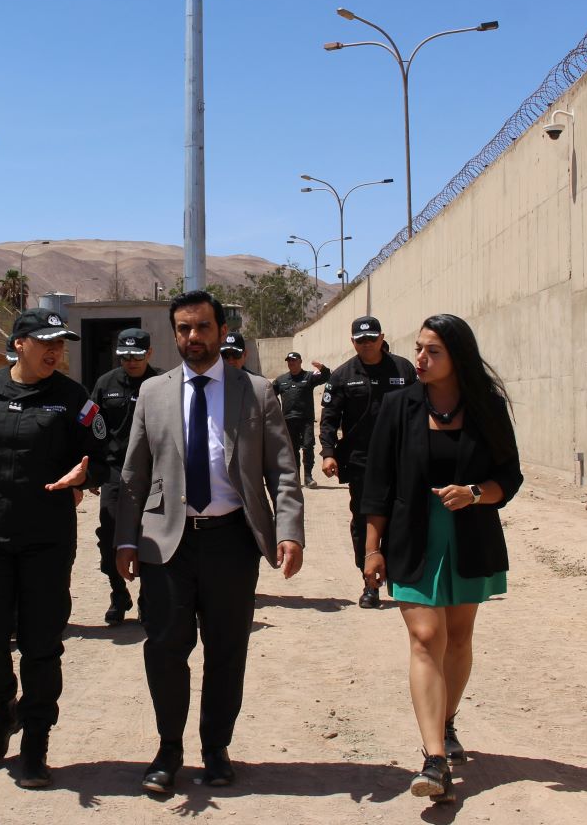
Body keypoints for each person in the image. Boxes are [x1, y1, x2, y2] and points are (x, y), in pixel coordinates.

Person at [115, 290, 305, 796]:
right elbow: (134, 475)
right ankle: (168, 751)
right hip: (167, 544)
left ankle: (216, 749)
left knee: (226, 651)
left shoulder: (256, 391)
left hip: (232, 542)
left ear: (222, 331)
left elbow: (283, 470)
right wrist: (125, 540)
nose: (192, 337)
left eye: (202, 327)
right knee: (164, 649)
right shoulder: (153, 393)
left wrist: (289, 531)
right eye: (183, 328)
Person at [0, 308, 109, 788]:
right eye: (46, 342)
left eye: (60, 343)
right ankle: (1, 713)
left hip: (46, 542)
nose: (55, 351)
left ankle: (36, 740)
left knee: (41, 645)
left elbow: (103, 455)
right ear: (19, 344)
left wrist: (86, 475)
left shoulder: (73, 399)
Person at [361, 314, 523, 805]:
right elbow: (378, 482)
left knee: (458, 637)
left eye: (433, 351)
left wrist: (474, 493)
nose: (421, 359)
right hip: (412, 537)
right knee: (427, 636)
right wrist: (372, 547)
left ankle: (447, 720)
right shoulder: (399, 406)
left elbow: (509, 477)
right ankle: (434, 759)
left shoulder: (486, 406)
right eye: (418, 349)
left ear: (457, 356)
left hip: (469, 536)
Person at [319, 315, 417, 608]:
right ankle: (370, 583)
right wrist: (328, 453)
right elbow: (329, 419)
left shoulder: (403, 369)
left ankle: (403, 577)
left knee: (402, 518)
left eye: (371, 339)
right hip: (362, 462)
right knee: (364, 521)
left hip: (401, 458)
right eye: (360, 340)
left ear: (381, 338)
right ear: (353, 342)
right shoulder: (342, 376)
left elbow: (420, 411)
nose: (366, 344)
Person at [88, 327, 162, 625]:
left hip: (153, 472)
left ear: (149, 354)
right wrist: (93, 470)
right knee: (110, 535)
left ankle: (147, 598)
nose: (130, 362)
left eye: (137, 356)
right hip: (115, 471)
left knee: (150, 536)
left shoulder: (162, 384)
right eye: (125, 356)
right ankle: (118, 594)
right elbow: (91, 426)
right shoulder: (105, 384)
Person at [272, 351, 330, 488]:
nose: (291, 363)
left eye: (294, 360)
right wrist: (276, 409)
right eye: (289, 361)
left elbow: (326, 377)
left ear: (300, 361)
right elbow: (270, 394)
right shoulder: (281, 380)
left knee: (308, 446)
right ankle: (296, 478)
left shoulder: (309, 376)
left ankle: (308, 477)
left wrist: (323, 368)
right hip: (288, 420)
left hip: (306, 420)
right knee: (292, 450)